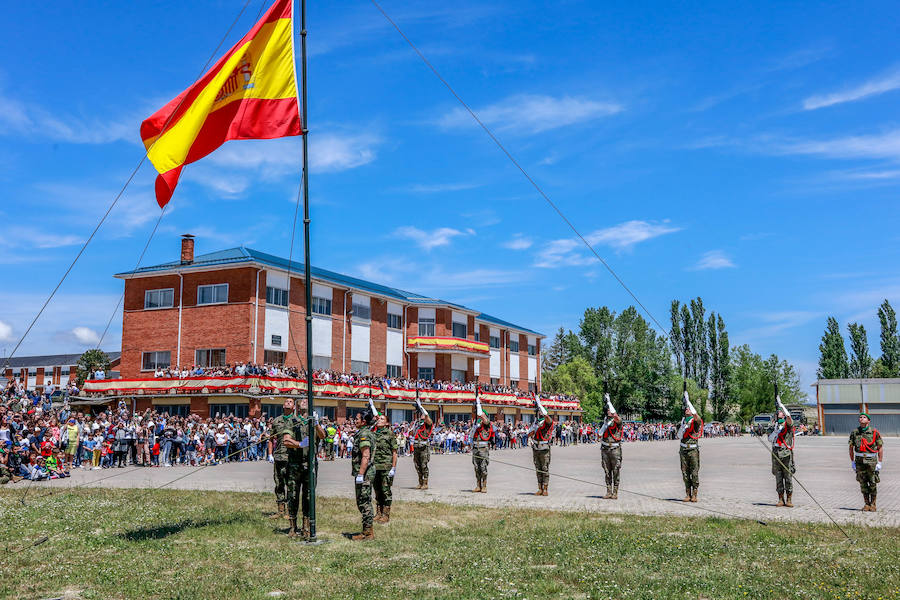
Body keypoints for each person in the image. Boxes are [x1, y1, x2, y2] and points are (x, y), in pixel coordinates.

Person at [283, 407, 326, 539]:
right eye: (302, 400)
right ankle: (292, 526)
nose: (304, 401)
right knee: (293, 496)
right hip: (295, 464)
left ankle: (306, 526)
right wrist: (299, 444)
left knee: (308, 496)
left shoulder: (313, 421)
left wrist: (316, 423)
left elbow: (323, 436)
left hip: (310, 463)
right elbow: (286, 440)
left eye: (307, 400)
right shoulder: (292, 421)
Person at [849, 411, 884, 512]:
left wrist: (880, 462)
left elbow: (880, 447)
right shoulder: (855, 432)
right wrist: (852, 461)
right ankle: (866, 504)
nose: (862, 418)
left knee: (872, 483)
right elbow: (851, 447)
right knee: (863, 483)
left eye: (864, 417)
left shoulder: (874, 432)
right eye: (860, 417)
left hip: (871, 461)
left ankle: (873, 504)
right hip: (859, 461)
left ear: (868, 420)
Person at [350, 410, 377, 540]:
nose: (355, 421)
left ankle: (368, 533)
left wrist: (360, 474)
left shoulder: (364, 434)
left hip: (365, 473)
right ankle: (366, 530)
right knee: (362, 501)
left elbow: (365, 455)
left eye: (357, 419)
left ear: (364, 421)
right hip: (365, 472)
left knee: (364, 501)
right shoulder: (364, 433)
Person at [270, 398, 298, 523]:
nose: (288, 403)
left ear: (294, 407)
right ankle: (280, 509)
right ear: (283, 405)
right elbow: (271, 438)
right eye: (286, 401)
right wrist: (270, 454)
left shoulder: (297, 421)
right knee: (278, 483)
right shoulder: (277, 421)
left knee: (290, 484)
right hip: (278, 456)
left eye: (290, 402)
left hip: (291, 457)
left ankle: (289, 511)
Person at [769, 394, 795, 507]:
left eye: (781, 412)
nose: (779, 413)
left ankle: (789, 499)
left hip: (786, 454)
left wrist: (781, 405)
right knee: (778, 477)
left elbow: (789, 417)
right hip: (776, 454)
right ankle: (780, 499)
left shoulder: (788, 425)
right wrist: (775, 430)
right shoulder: (774, 426)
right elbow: (770, 439)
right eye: (778, 412)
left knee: (788, 476)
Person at [677, 386, 702, 502]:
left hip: (692, 450)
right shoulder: (682, 421)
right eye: (686, 408)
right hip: (683, 450)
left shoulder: (694, 422)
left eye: (689, 409)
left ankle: (695, 494)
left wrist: (690, 403)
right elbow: (679, 434)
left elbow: (698, 419)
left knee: (694, 472)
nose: (687, 409)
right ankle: (688, 493)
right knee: (685, 473)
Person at [372, 413, 398, 523]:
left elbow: (395, 452)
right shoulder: (374, 434)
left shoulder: (390, 434)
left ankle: (386, 514)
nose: (379, 420)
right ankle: (378, 512)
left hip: (386, 467)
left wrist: (393, 468)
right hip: (375, 466)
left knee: (385, 491)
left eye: (382, 419)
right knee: (377, 491)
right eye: (379, 418)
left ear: (387, 423)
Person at [528, 396, 553, 496]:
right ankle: (540, 488)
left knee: (545, 468)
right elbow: (529, 434)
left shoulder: (547, 422)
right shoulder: (536, 422)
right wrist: (534, 427)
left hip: (544, 448)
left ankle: (546, 488)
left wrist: (543, 411)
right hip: (536, 448)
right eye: (538, 411)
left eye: (541, 411)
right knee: (538, 469)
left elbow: (548, 419)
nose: (539, 413)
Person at [599, 394, 623, 499]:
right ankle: (609, 491)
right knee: (607, 471)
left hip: (615, 449)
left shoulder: (617, 421)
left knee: (616, 470)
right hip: (605, 449)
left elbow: (616, 417)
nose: (608, 412)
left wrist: (609, 402)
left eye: (610, 410)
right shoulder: (605, 421)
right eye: (607, 410)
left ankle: (615, 492)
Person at [469, 401, 495, 493]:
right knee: (476, 468)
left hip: (483, 449)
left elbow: (485, 420)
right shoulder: (476, 425)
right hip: (476, 448)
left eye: (482, 414)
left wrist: (481, 414)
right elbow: (472, 436)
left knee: (483, 467)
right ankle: (478, 485)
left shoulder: (487, 424)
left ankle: (484, 485)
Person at [411, 398, 433, 489]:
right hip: (416, 447)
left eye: (422, 413)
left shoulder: (428, 424)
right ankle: (420, 481)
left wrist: (421, 406)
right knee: (417, 465)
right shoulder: (417, 424)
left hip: (424, 448)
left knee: (424, 465)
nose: (421, 414)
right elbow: (412, 434)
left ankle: (425, 483)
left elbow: (427, 415)